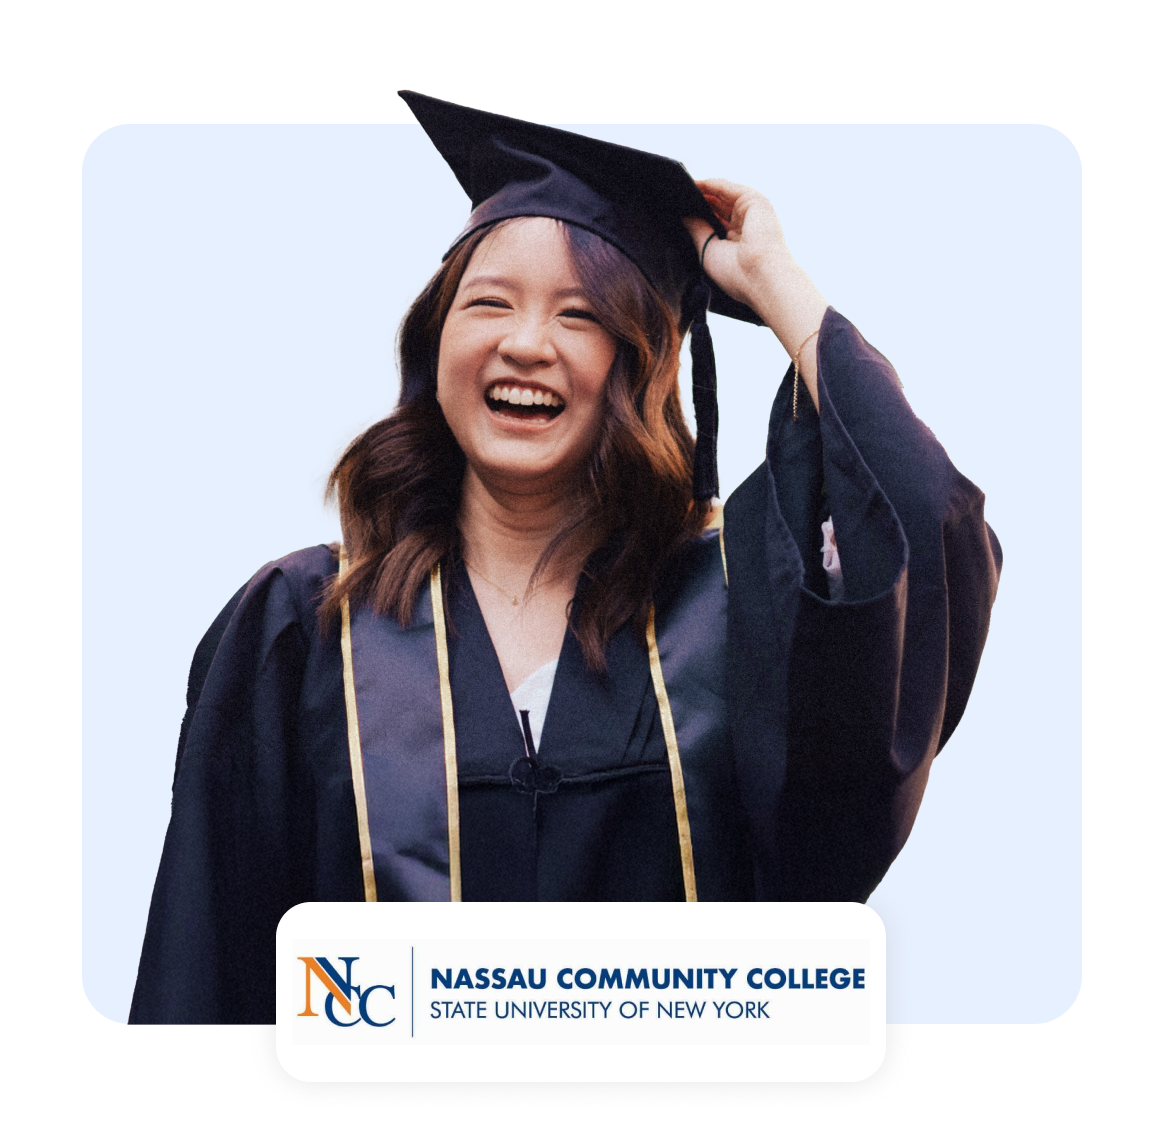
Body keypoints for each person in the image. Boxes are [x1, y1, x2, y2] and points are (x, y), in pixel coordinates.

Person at [129, 96, 1002, 1024]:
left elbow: (917, 529)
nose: (526, 343)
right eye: (490, 303)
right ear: (436, 344)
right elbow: (204, 962)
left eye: (580, 316)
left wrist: (777, 285)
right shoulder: (303, 628)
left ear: (641, 366)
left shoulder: (734, 613)